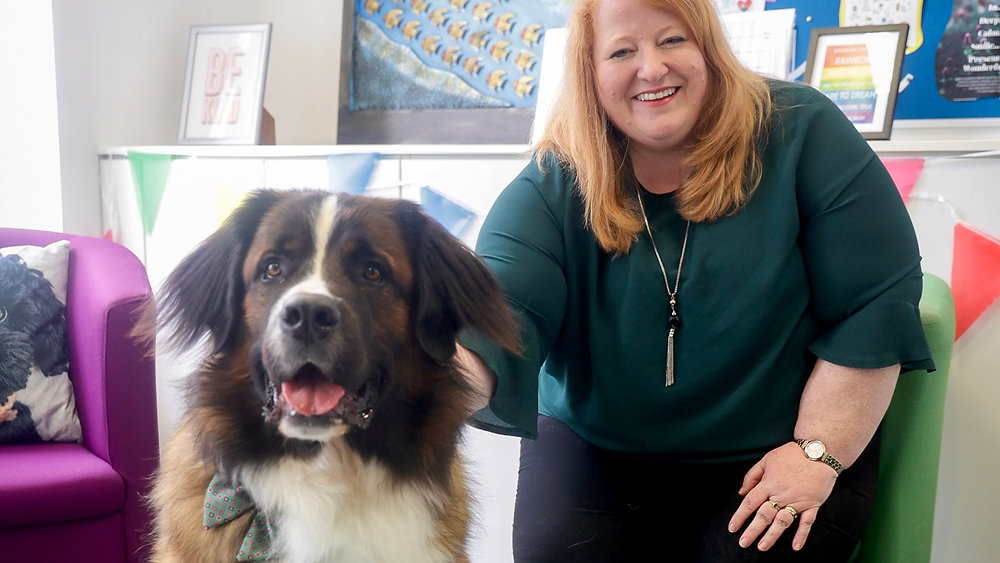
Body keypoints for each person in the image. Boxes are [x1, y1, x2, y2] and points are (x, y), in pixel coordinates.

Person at [455, 0, 934, 560]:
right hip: (599, 448)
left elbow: (875, 300)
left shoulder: (803, 130)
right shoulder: (552, 181)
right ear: (589, 72)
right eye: (621, 51)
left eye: (672, 40)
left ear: (708, 46)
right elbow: (499, 311)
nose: (651, 68)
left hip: (783, 444)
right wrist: (403, 388)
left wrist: (815, 454)